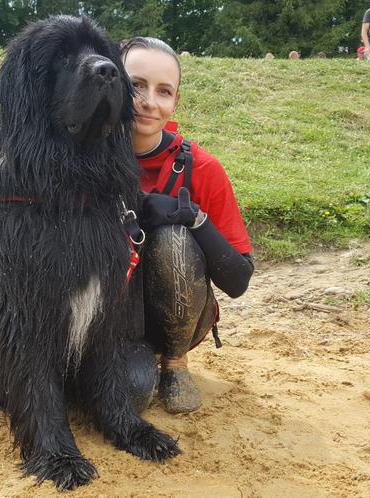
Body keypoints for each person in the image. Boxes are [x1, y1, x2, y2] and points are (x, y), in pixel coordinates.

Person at [121, 37, 254, 414]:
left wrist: (194, 219)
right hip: (110, 319)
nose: (149, 101)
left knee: (173, 239)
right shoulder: (81, 159)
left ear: (175, 102)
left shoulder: (202, 167)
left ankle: (175, 366)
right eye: (135, 86)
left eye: (164, 91)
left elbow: (239, 281)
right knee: (130, 394)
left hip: (176, 316)